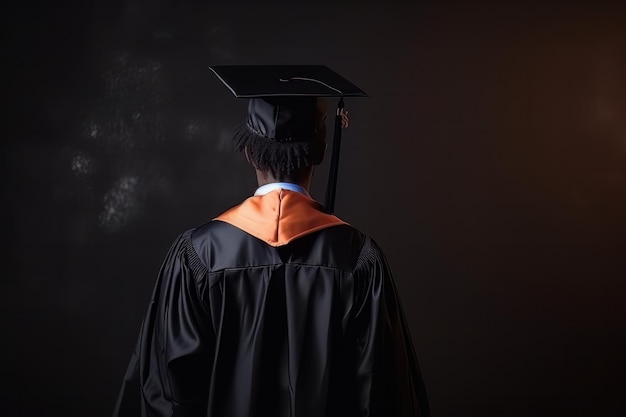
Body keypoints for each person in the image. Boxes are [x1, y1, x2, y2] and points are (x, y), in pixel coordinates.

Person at [113, 65, 430, 417]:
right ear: (320, 151)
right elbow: (385, 394)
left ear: (249, 152)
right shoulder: (357, 259)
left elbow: (166, 392)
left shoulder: (199, 255)